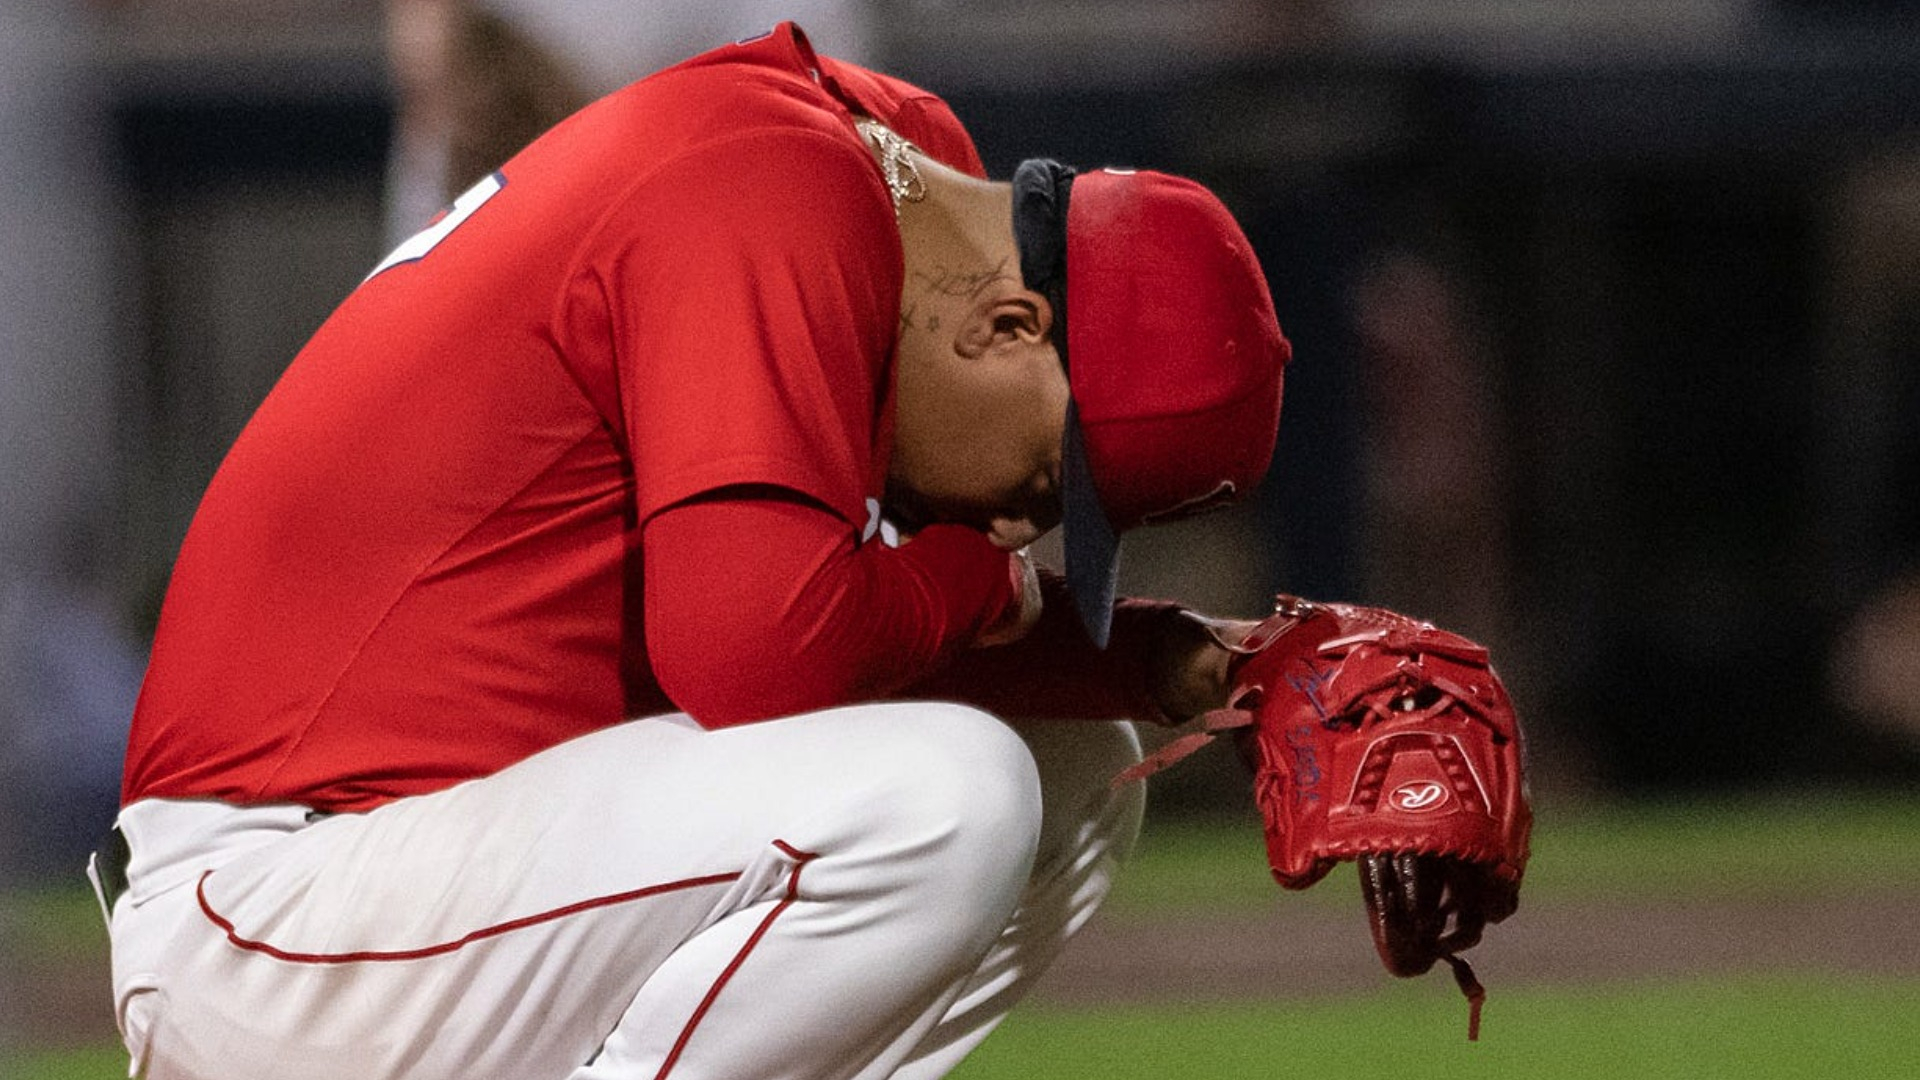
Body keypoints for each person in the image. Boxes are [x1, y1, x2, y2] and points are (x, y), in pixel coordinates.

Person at [96, 23, 1289, 1080]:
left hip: (449, 876)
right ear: (1008, 325)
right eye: (1045, 483)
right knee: (944, 797)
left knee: (1077, 765)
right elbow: (754, 651)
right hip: (277, 911)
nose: (1022, 530)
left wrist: (1187, 668)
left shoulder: (888, 181)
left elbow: (821, 656)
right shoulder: (776, 183)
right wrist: (987, 591)